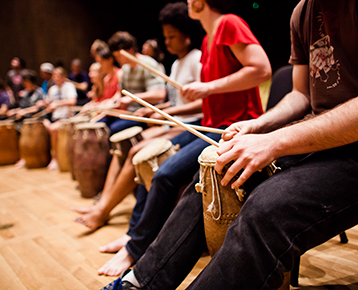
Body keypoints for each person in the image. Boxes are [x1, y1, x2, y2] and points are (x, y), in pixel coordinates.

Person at [102, 0, 358, 289]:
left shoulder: (229, 24)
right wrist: (260, 124)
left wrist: (274, 140)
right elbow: (301, 94)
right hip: (314, 135)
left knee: (265, 209)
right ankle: (140, 282)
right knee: (215, 172)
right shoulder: (303, 11)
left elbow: (259, 70)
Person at [98, 0, 271, 277]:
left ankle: (135, 248)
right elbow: (208, 94)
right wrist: (194, 96)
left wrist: (206, 88)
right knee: (149, 160)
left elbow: (262, 70)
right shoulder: (207, 40)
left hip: (234, 127)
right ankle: (136, 235)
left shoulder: (229, 23)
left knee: (165, 175)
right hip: (211, 124)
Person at [72, 2, 204, 235]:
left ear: (187, 36)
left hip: (192, 123)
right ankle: (103, 204)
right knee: (127, 146)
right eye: (166, 36)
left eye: (172, 36)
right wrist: (155, 109)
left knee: (136, 151)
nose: (167, 42)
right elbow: (174, 100)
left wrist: (166, 111)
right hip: (176, 121)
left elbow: (203, 103)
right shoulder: (176, 64)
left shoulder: (196, 59)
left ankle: (107, 213)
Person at [105, 31, 166, 136]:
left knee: (114, 128)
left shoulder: (148, 64)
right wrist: (108, 103)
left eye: (119, 56)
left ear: (130, 50)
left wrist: (132, 98)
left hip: (147, 114)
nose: (117, 60)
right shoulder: (125, 68)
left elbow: (160, 94)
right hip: (132, 113)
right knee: (104, 123)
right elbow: (120, 93)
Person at [41, 67, 77, 170]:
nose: (56, 78)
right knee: (45, 124)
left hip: (67, 118)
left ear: (64, 77)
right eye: (55, 75)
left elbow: (72, 101)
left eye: (59, 75)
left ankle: (55, 159)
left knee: (53, 129)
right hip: (55, 118)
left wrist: (57, 104)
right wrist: (46, 105)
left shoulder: (69, 86)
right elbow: (50, 105)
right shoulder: (52, 89)